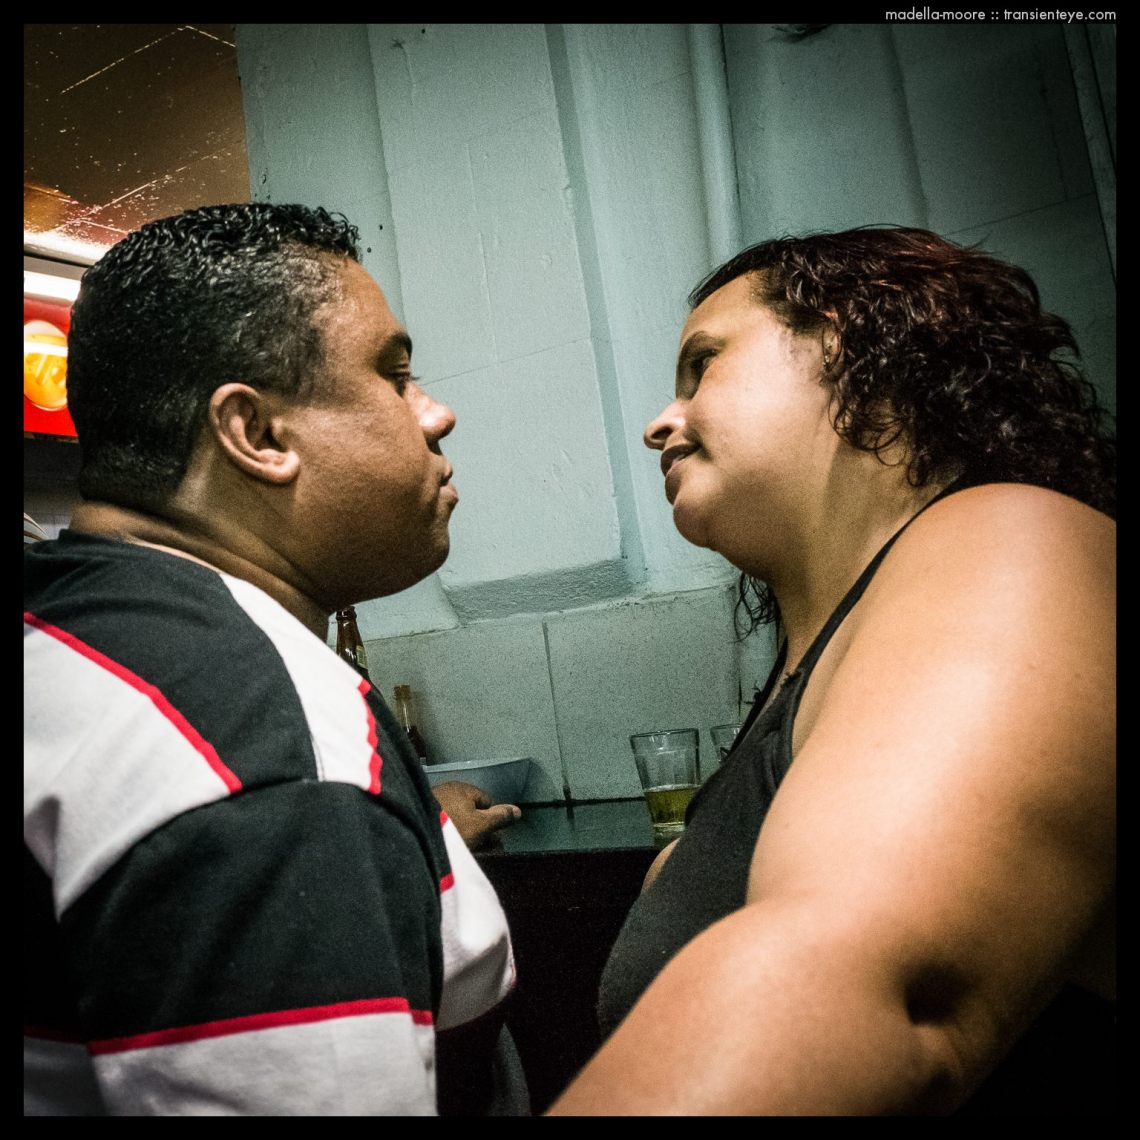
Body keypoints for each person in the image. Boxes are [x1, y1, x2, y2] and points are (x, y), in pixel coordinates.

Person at [548, 226, 1115, 1115]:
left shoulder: (1009, 537)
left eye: (702, 367)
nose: (662, 420)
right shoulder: (817, 665)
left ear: (856, 342)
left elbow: (859, 985)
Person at [24, 203, 526, 1116]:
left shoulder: (73, 631)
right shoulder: (265, 747)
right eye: (395, 375)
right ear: (255, 435)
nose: (437, 413)